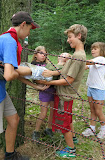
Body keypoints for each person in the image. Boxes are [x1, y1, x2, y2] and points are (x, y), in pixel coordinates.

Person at [0, 11, 49, 160]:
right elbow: (9, 75)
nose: (29, 32)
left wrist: (33, 85)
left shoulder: (8, 38)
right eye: (30, 28)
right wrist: (32, 71)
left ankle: (10, 156)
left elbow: (12, 71)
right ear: (23, 25)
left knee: (14, 120)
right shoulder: (9, 41)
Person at [37, 24, 87, 158]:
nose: (68, 40)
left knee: (63, 123)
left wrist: (48, 82)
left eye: (70, 37)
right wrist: (52, 72)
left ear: (79, 36)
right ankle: (73, 138)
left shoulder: (78, 56)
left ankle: (71, 149)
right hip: (66, 95)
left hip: (65, 96)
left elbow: (68, 79)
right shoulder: (77, 54)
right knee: (68, 119)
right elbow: (64, 71)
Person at [31, 48, 72, 141]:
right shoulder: (43, 65)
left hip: (54, 91)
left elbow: (57, 74)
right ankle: (36, 131)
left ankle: (48, 128)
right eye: (41, 53)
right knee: (43, 113)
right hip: (44, 91)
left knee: (53, 112)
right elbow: (39, 77)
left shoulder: (56, 66)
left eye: (45, 54)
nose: (43, 55)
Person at [82, 42, 105, 139]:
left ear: (102, 50)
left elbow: (87, 62)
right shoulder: (94, 60)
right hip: (91, 87)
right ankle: (92, 128)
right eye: (92, 48)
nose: (92, 50)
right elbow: (85, 67)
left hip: (99, 89)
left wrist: (75, 59)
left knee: (98, 110)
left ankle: (104, 128)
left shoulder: (101, 59)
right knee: (92, 110)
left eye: (95, 49)